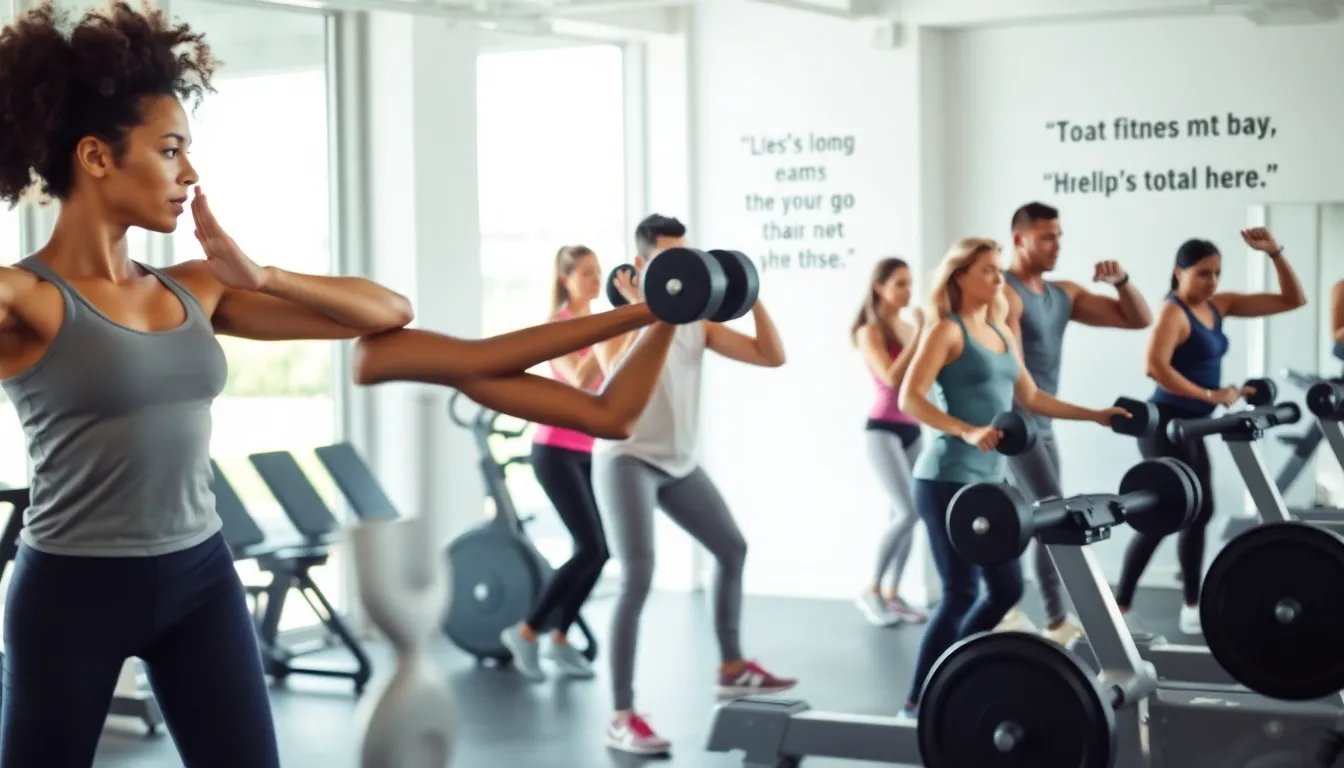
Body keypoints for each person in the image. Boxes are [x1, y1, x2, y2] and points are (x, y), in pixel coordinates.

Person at [0, 4, 417, 764]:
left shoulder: (195, 288)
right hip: (71, 592)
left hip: (200, 577)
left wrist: (262, 275)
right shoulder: (21, 300)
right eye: (170, 150)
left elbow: (385, 311)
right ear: (96, 157)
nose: (189, 174)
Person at [896, 236, 1130, 716]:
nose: (999, 279)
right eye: (987, 271)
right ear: (959, 276)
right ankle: (919, 700)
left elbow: (1034, 398)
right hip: (945, 480)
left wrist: (1095, 415)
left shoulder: (1001, 331)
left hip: (988, 481)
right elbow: (910, 399)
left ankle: (953, 675)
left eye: (1000, 270)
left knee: (1005, 589)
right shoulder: (946, 331)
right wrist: (965, 429)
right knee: (960, 592)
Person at [590, 214, 794, 756]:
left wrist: (747, 294)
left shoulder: (698, 323)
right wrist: (640, 308)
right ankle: (620, 713)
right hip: (626, 460)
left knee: (731, 548)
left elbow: (771, 355)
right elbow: (610, 374)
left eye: (690, 257)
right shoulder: (624, 319)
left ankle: (731, 667)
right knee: (638, 577)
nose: (684, 269)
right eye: (668, 259)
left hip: (677, 462)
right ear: (641, 265)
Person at [1114, 228, 1305, 635]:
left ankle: (1191, 604)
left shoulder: (1218, 305)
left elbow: (1293, 300)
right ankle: (1122, 605)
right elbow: (1155, 367)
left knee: (1199, 513)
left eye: (1217, 273)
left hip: (1194, 427)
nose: (1212, 281)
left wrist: (1275, 253)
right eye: (1202, 273)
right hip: (1164, 424)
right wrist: (1210, 393)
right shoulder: (1173, 312)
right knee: (1171, 514)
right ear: (1178, 273)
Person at [995, 202, 1153, 646]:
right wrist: (1090, 414)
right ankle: (1055, 619)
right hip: (1016, 424)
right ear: (1020, 239)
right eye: (1047, 237)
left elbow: (1138, 318)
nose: (1056, 245)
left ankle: (1006, 609)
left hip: (1043, 423)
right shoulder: (1006, 296)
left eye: (1059, 236)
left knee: (1024, 518)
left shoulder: (1063, 294)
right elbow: (1018, 383)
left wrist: (1121, 282)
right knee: (1053, 512)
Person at [500, 245, 610, 681]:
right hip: (553, 450)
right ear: (565, 279)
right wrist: (607, 334)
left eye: (598, 273)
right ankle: (527, 632)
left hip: (584, 450)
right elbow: (580, 379)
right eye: (586, 273)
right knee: (590, 547)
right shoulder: (555, 328)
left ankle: (560, 638)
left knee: (601, 552)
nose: (595, 281)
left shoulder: (602, 327)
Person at [850, 257, 929, 627]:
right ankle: (871, 590)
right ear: (879, 286)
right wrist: (921, 337)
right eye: (899, 283)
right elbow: (893, 377)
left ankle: (893, 594)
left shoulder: (910, 325)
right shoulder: (870, 331)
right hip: (882, 429)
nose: (908, 291)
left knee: (910, 514)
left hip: (913, 429)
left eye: (910, 283)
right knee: (908, 511)